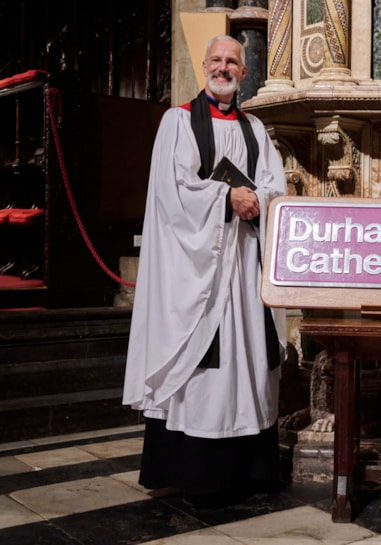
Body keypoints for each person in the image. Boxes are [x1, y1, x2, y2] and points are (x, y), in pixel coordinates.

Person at [123, 34, 287, 508]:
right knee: (205, 364)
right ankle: (197, 473)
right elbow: (173, 192)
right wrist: (226, 198)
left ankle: (251, 469)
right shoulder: (176, 122)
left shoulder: (257, 128)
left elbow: (275, 182)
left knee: (250, 361)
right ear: (203, 65)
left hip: (245, 263)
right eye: (216, 60)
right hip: (199, 270)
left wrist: (261, 199)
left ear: (244, 70)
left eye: (232, 61)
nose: (223, 67)